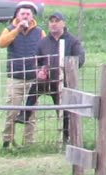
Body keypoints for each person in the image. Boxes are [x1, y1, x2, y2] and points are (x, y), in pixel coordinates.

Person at [27, 12, 85, 141]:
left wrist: (67, 67)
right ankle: (24, 114)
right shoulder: (43, 42)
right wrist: (39, 70)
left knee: (64, 112)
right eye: (51, 21)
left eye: (56, 21)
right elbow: (36, 60)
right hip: (47, 80)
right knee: (34, 89)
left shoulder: (73, 41)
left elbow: (80, 59)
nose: (53, 24)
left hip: (65, 82)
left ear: (63, 24)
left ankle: (66, 138)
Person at [0, 6, 43, 148]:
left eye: (28, 14)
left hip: (33, 77)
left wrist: (41, 68)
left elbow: (45, 50)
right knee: (12, 110)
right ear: (17, 15)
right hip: (15, 76)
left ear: (32, 17)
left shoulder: (39, 32)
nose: (25, 16)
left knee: (31, 112)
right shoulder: (10, 29)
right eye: (22, 13)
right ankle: (7, 141)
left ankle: (29, 143)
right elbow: (1, 43)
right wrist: (17, 30)